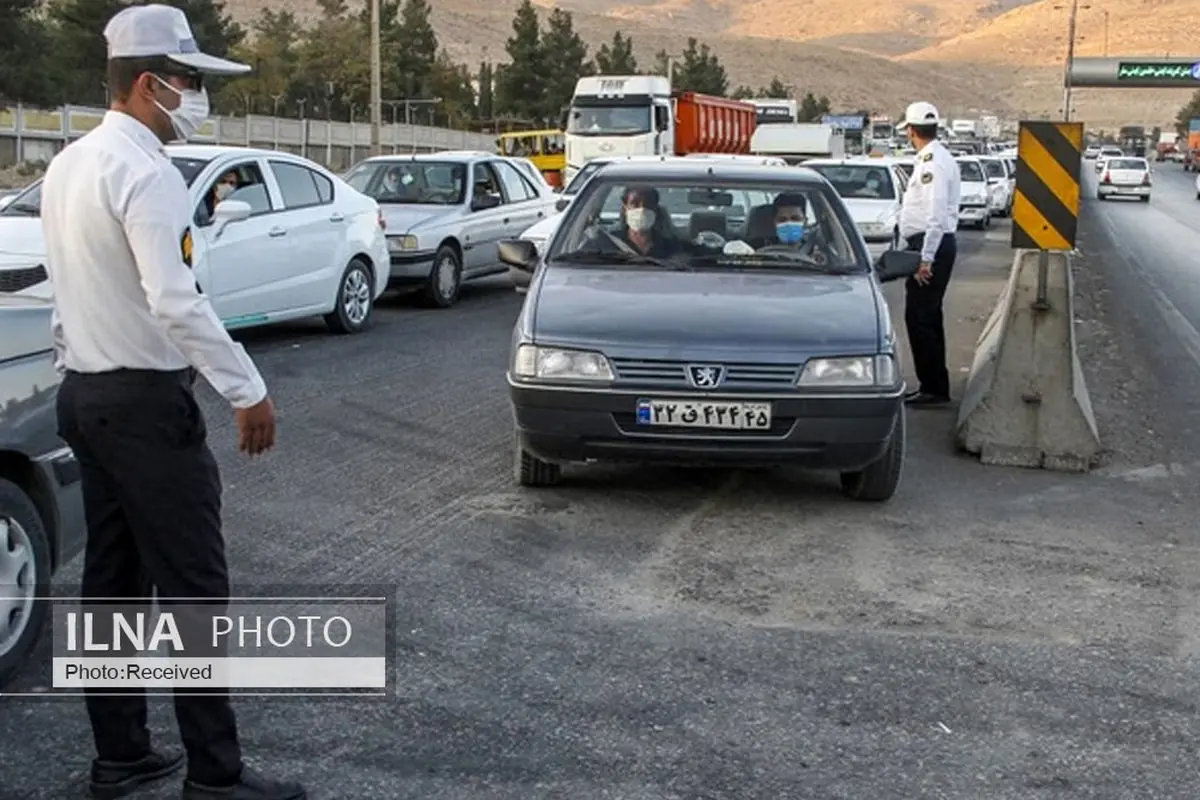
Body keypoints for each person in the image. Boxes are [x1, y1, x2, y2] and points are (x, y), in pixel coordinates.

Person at [40, 5, 304, 800]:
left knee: (113, 583)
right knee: (194, 589)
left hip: (85, 396)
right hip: (147, 407)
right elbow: (174, 299)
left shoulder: (68, 164)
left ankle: (120, 756)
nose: (197, 96)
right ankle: (216, 777)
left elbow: (70, 290)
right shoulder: (147, 171)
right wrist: (247, 388)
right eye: (189, 81)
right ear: (149, 84)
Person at [896, 101, 961, 408]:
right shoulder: (936, 158)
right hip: (930, 243)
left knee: (920, 317)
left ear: (911, 130)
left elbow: (935, 214)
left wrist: (925, 258)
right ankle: (934, 383)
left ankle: (932, 387)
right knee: (929, 316)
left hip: (930, 244)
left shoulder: (932, 163)